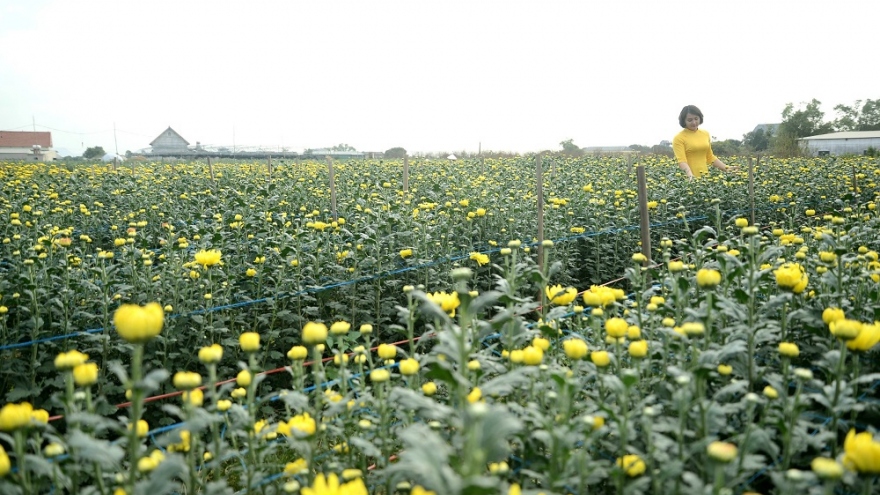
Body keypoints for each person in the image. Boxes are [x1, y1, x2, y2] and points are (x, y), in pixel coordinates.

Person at [673, 105, 736, 180]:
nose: (694, 122)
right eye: (690, 120)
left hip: (705, 178)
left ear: (700, 118)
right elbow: (682, 161)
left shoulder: (705, 134)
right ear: (684, 121)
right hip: (688, 180)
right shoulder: (679, 138)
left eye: (696, 119)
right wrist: (690, 176)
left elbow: (710, 157)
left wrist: (727, 168)